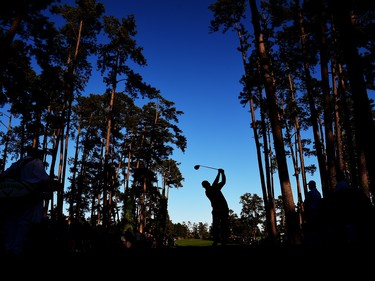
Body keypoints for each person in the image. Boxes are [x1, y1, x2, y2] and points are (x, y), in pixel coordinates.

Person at [0, 146, 51, 256]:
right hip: (28, 197)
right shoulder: (36, 162)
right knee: (23, 223)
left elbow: (3, 175)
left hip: (12, 198)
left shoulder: (17, 163)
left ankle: (7, 248)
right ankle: (16, 250)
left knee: (10, 224)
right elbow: (44, 178)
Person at [201, 168, 229, 246]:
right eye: (207, 183)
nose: (208, 183)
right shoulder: (209, 191)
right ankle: (219, 240)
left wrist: (222, 173)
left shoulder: (214, 188)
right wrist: (220, 173)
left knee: (221, 225)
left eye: (208, 182)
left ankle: (222, 240)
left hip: (222, 209)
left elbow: (223, 182)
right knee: (218, 225)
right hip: (219, 209)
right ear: (205, 186)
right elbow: (216, 182)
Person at [303, 180, 322, 245]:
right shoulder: (318, 193)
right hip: (318, 212)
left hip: (311, 212)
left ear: (311, 186)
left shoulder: (310, 193)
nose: (308, 187)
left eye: (309, 185)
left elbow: (306, 203)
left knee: (312, 228)